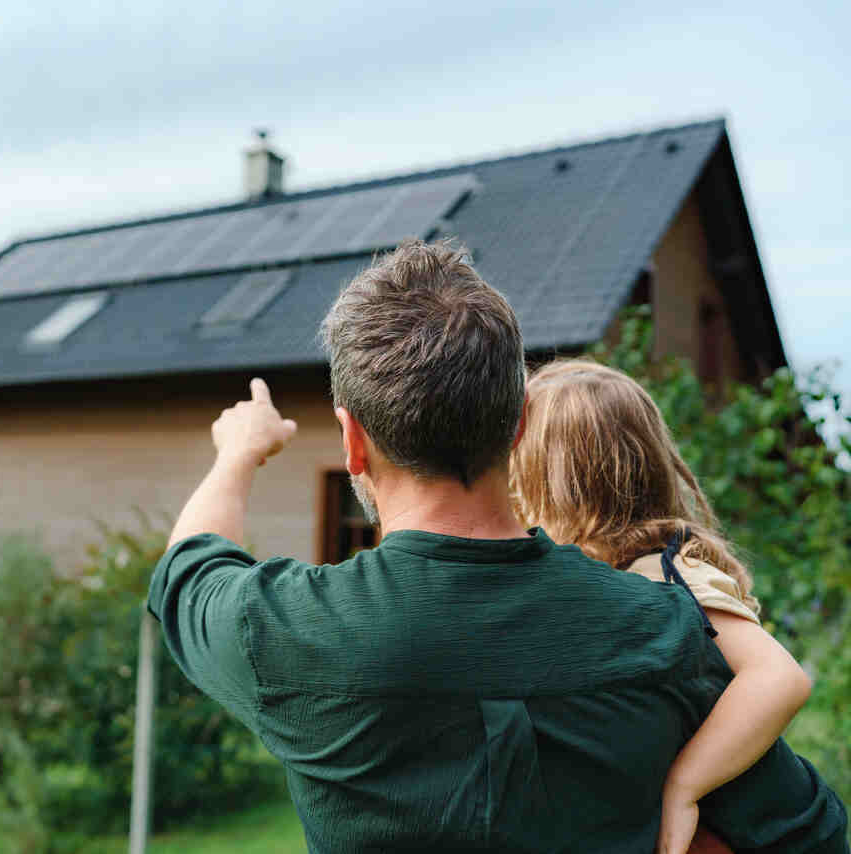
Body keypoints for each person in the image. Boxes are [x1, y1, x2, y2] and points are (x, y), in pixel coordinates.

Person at [146, 240, 847, 853]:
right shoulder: (662, 627)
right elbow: (811, 833)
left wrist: (238, 453)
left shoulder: (284, 630)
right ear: (517, 425)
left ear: (353, 441)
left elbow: (191, 564)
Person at [509, 359, 816, 854]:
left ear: (554, 485)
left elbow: (780, 678)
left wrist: (684, 786)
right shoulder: (608, 578)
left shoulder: (669, 575)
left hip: (776, 834)